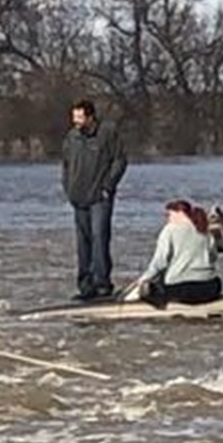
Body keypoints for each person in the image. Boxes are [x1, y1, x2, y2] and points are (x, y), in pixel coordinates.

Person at [61, 98, 128, 300]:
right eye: (74, 118)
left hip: (100, 197)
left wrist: (108, 186)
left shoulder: (107, 133)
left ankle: (102, 284)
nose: (76, 122)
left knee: (100, 238)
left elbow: (120, 160)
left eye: (80, 117)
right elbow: (65, 164)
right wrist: (68, 188)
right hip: (78, 197)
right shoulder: (72, 137)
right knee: (83, 242)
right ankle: (85, 285)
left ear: (90, 117)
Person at [123, 199, 223, 308]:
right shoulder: (204, 229)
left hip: (182, 289)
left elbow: (159, 262)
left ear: (180, 213)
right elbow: (213, 257)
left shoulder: (170, 230)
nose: (168, 219)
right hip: (210, 287)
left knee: (151, 289)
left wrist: (142, 280)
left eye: (170, 215)